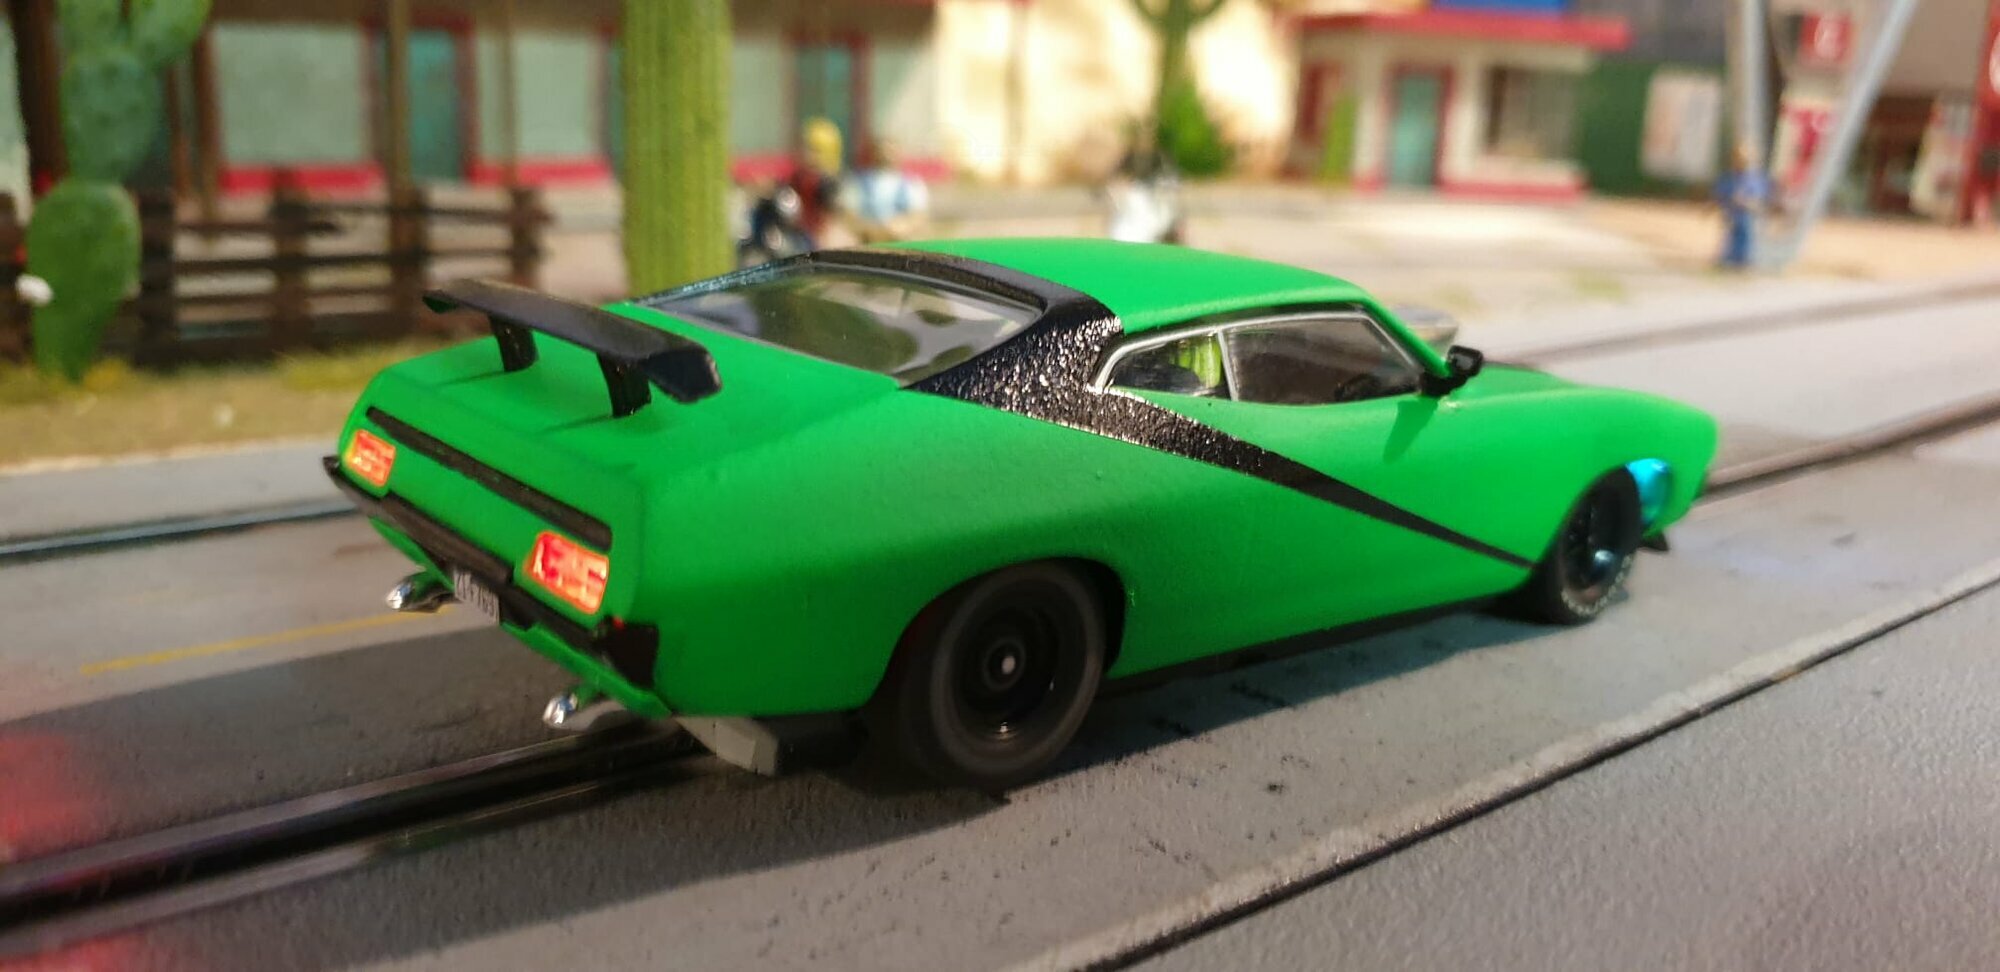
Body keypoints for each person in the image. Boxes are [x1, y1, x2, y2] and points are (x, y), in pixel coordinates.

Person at [841, 137, 930, 243]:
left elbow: (918, 215)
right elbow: (849, 214)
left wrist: (900, 227)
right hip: (867, 242)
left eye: (891, 150)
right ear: (874, 152)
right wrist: (870, 230)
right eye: (883, 150)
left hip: (901, 242)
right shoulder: (857, 181)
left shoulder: (912, 182)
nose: (887, 155)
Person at [784, 117, 846, 247]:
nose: (806, 154)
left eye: (814, 150)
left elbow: (832, 213)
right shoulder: (798, 176)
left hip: (819, 235)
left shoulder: (828, 181)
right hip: (800, 231)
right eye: (804, 147)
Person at [1713, 144, 1772, 270]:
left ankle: (1744, 260)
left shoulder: (1755, 179)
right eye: (1738, 159)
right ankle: (1729, 258)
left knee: (1746, 237)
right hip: (1732, 217)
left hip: (1747, 219)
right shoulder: (1729, 178)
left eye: (1744, 159)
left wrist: (1744, 202)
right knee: (1729, 240)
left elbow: (1760, 202)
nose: (1740, 162)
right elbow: (1720, 197)